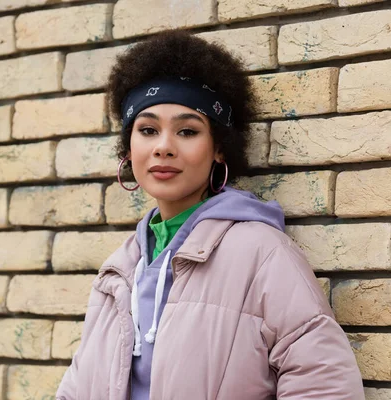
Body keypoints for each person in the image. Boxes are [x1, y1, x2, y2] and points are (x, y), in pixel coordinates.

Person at [56, 30, 364, 400]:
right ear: (129, 147)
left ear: (219, 148)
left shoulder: (261, 253)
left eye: (187, 131)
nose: (164, 147)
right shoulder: (118, 270)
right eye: (148, 130)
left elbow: (325, 384)